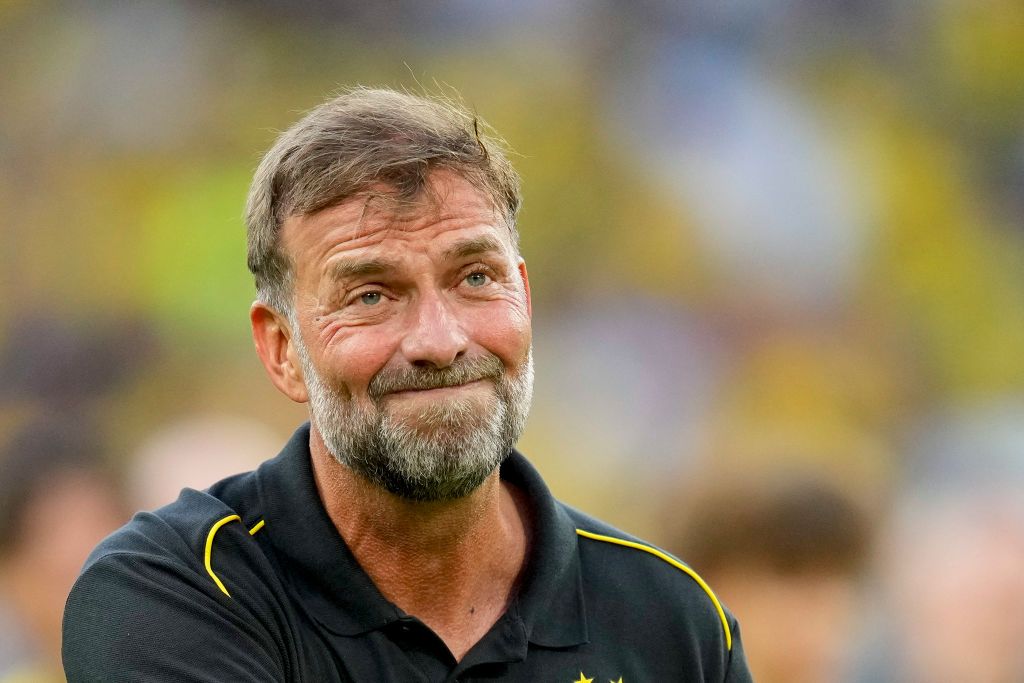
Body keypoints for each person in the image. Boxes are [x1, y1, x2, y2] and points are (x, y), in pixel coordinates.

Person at [62, 87, 752, 682]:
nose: (441, 340)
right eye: (371, 294)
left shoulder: (673, 618)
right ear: (282, 349)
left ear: (525, 298)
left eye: (475, 277)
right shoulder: (177, 590)